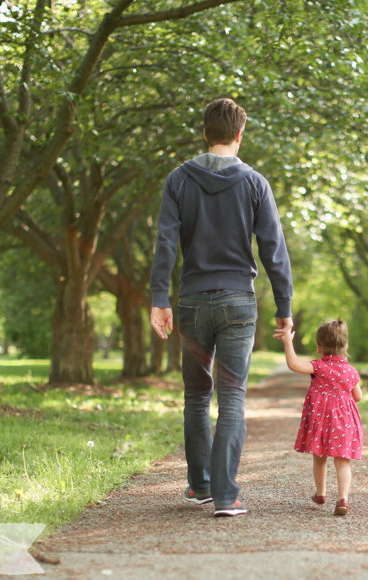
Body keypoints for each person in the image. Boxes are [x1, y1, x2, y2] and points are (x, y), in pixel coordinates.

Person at [150, 98, 293, 517]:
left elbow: (165, 243)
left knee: (196, 397)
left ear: (205, 132)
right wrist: (284, 306)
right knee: (231, 398)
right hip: (237, 304)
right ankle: (227, 497)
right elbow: (274, 249)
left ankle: (200, 487)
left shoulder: (178, 179)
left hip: (192, 302)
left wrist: (160, 298)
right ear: (239, 135)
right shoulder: (254, 183)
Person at [275, 319, 363, 516]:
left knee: (320, 457)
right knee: (343, 461)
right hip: (343, 422)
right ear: (346, 346)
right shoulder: (351, 372)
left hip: (322, 423)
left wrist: (288, 342)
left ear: (319, 348)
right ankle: (343, 499)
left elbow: (294, 364)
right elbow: (358, 396)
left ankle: (321, 493)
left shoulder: (319, 367)